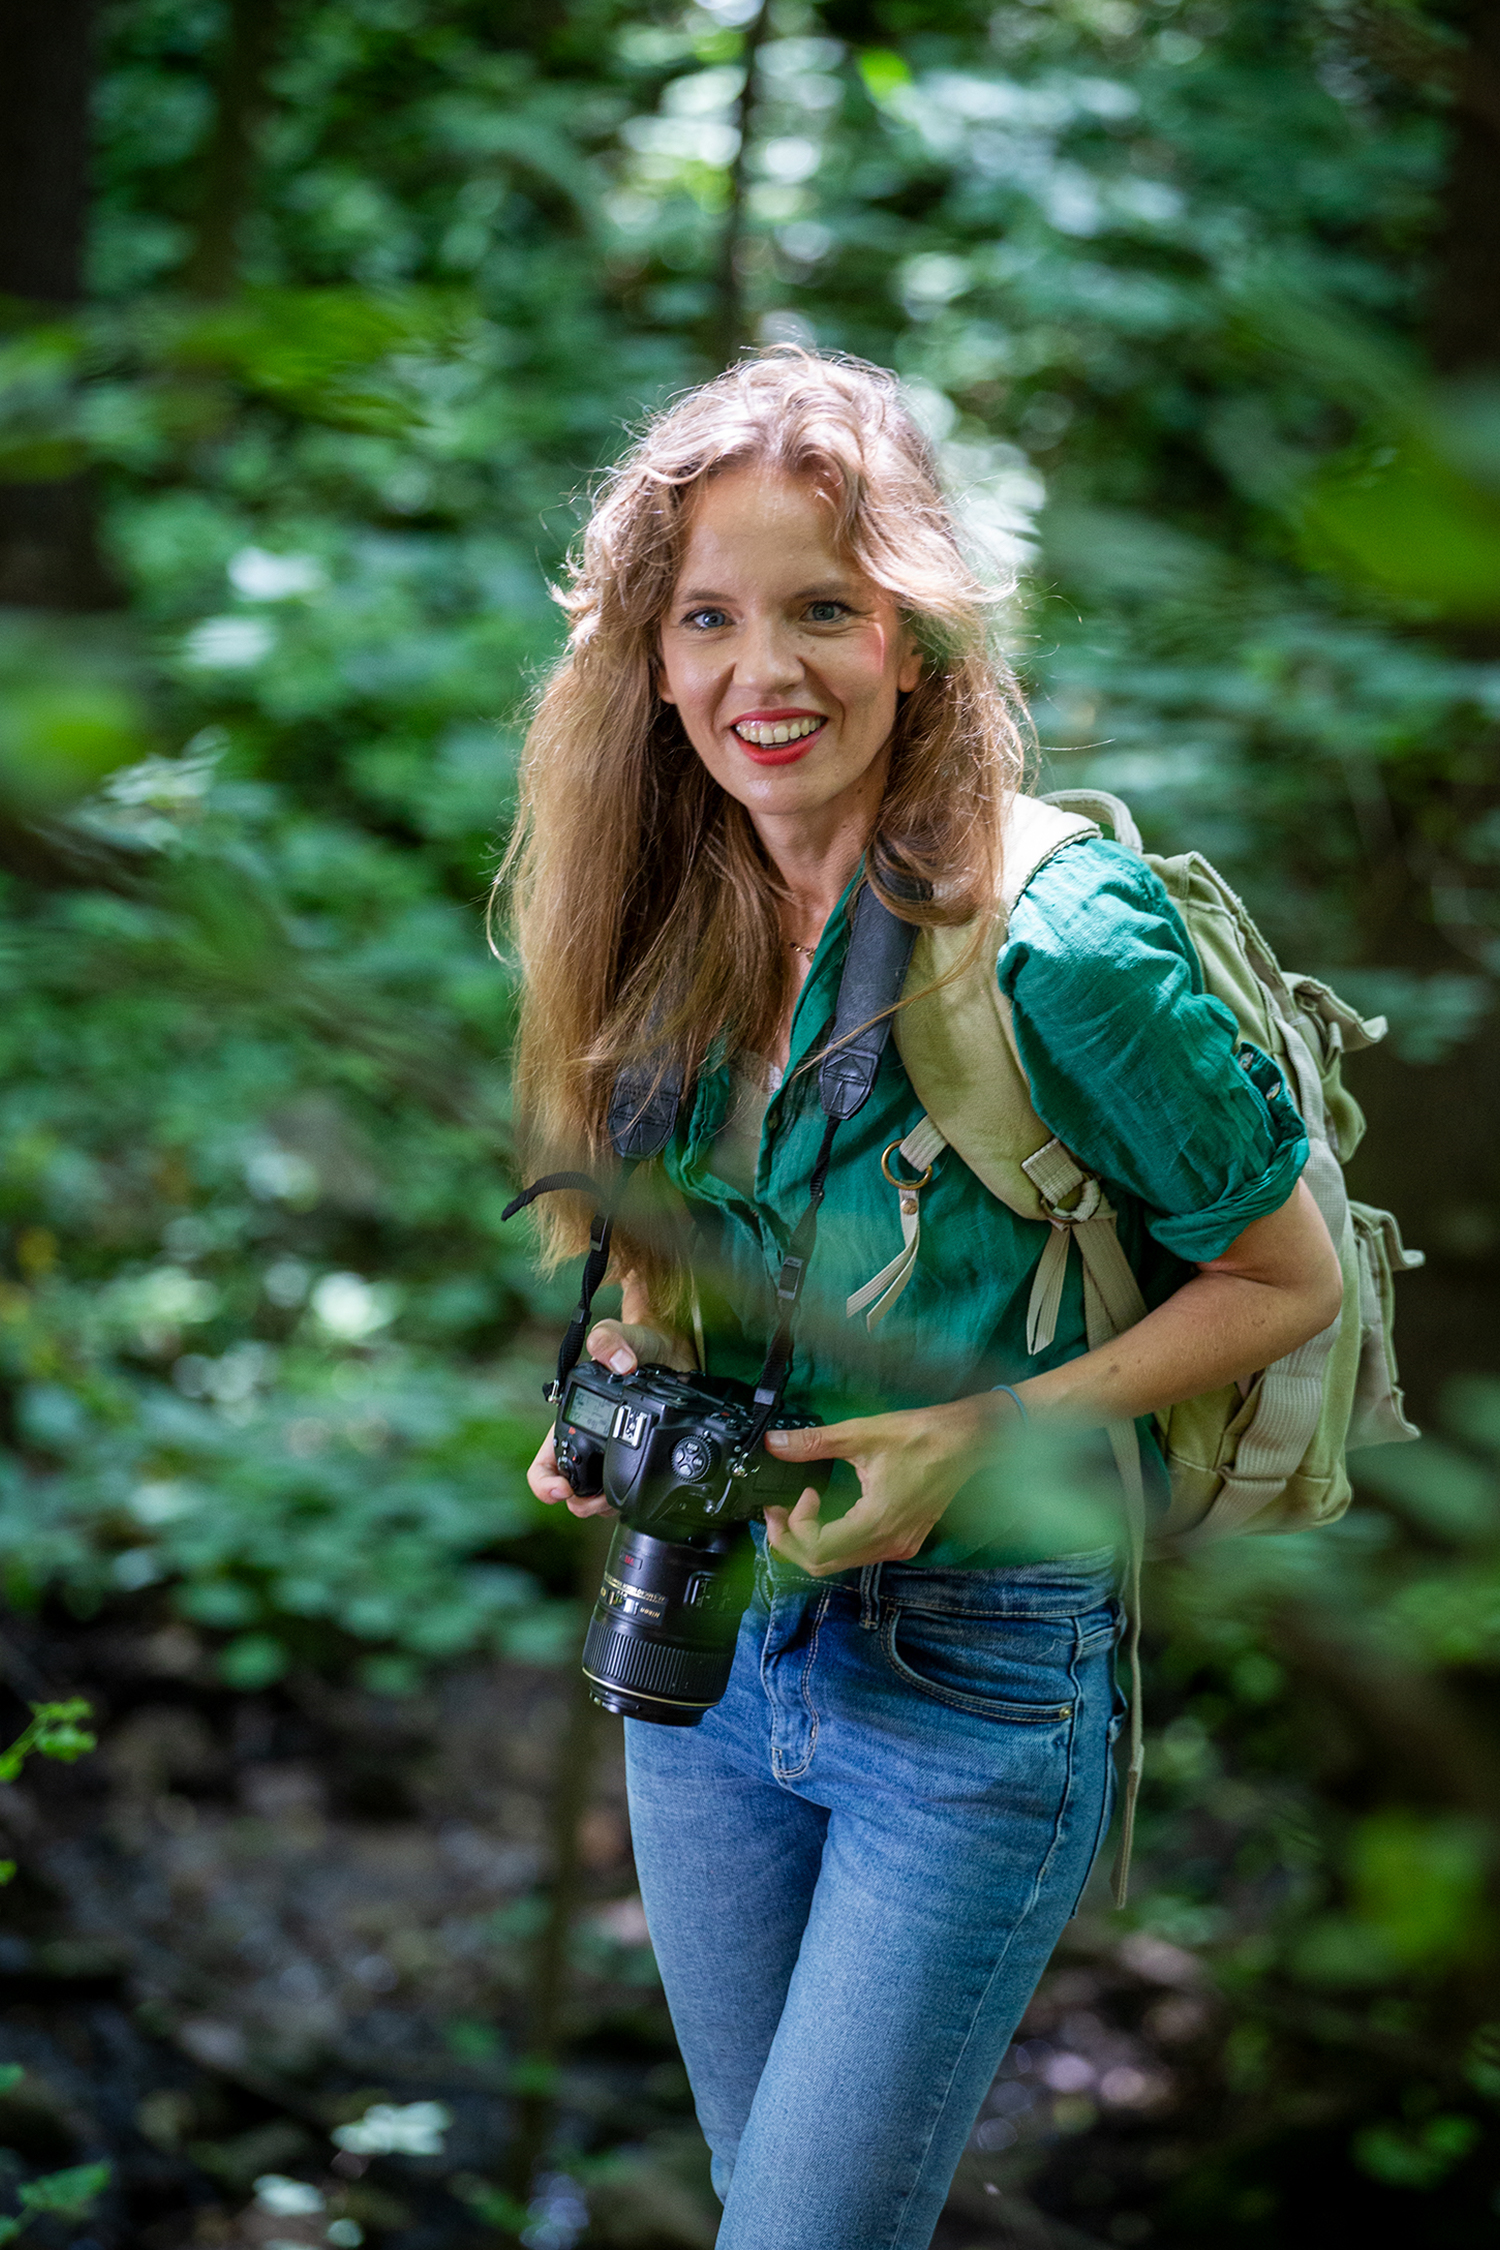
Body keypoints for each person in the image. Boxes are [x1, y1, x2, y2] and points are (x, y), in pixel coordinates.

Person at [505, 351, 1341, 2250]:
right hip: (706, 1652)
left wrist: (990, 1430)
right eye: (708, 618)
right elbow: (670, 1264)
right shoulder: (660, 909)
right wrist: (624, 1374)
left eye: (823, 609)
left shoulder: (1063, 940)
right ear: (652, 658)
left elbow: (1282, 1274)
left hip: (973, 1683)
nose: (763, 671)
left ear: (917, 636)